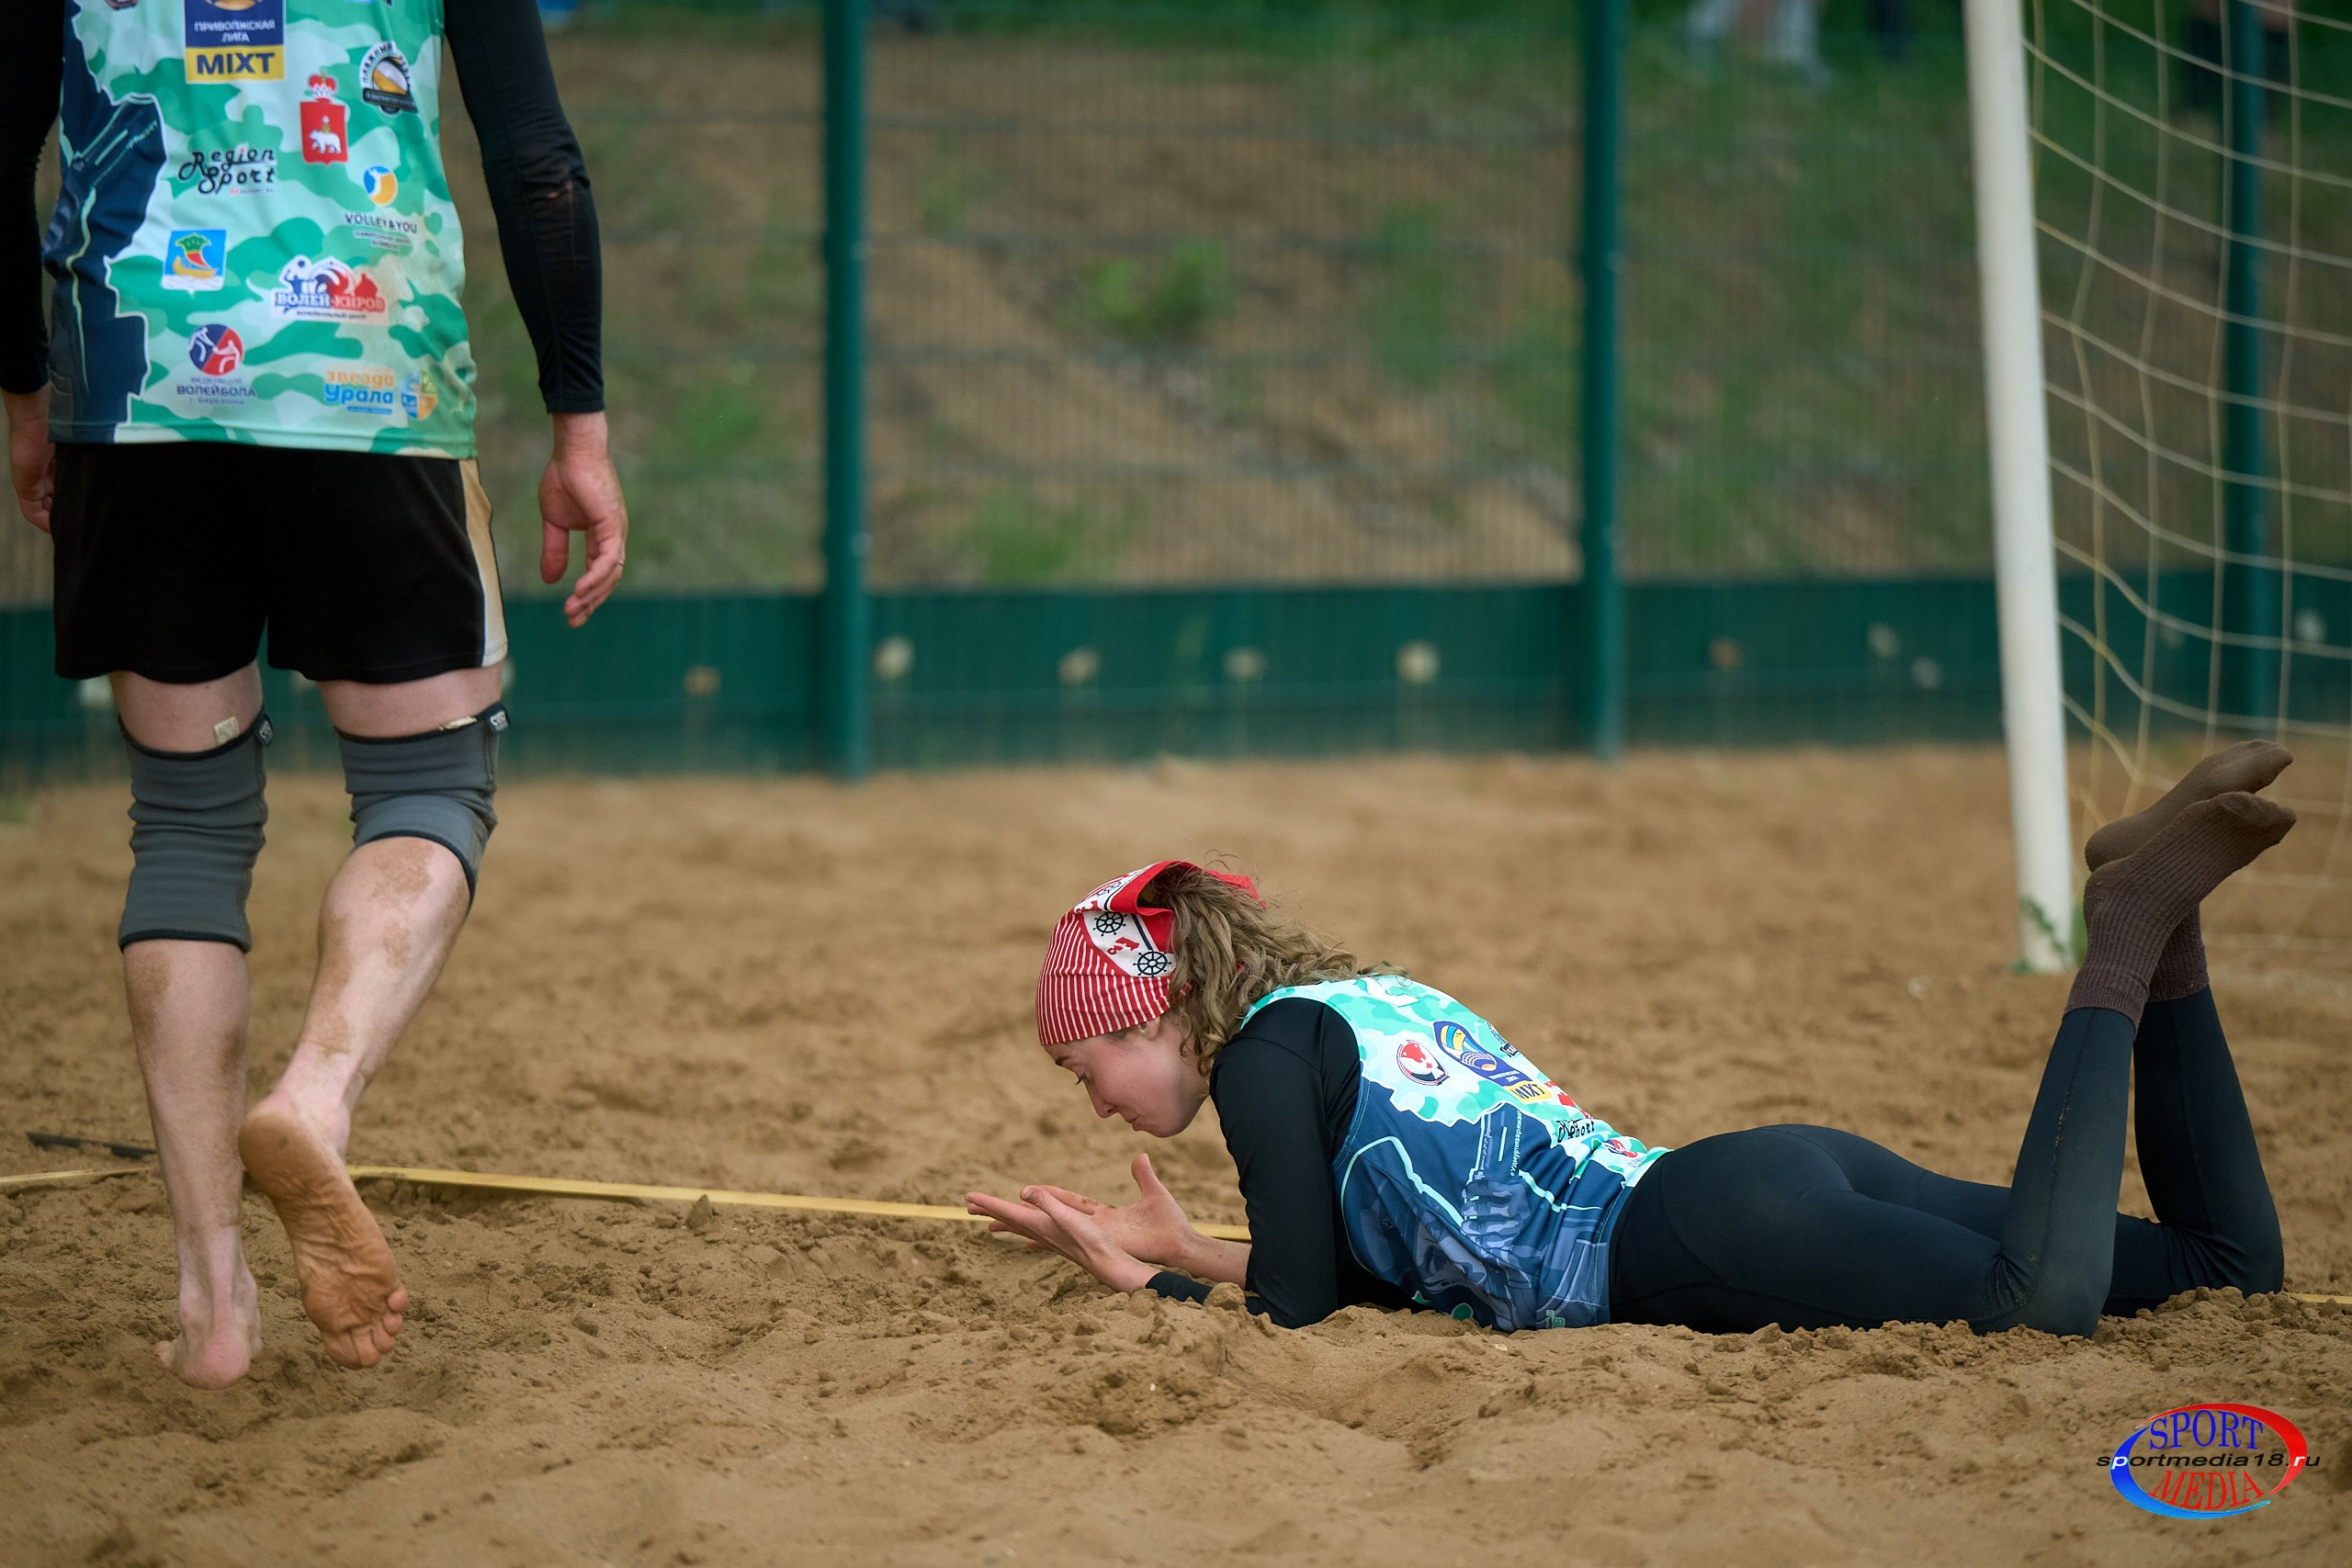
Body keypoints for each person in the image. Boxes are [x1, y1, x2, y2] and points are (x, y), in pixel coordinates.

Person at [4, 0, 625, 1388]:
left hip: (136, 376)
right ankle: (315, 1099)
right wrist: (578, 420)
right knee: (427, 785)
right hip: (368, 370)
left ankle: (212, 1295)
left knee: (185, 829)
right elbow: (539, 160)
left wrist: (24, 396)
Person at [969, 743, 2294, 1336]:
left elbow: (1304, 1317)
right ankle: (2166, 925)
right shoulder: (1359, 1000)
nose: (1094, 1105)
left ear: (1151, 1011)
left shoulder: (1259, 1059)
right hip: (1755, 1179)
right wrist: (1193, 1243)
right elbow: (1378, 1281)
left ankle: (2125, 929)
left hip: (1698, 1242)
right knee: (2221, 1268)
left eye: (1086, 1068)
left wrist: (1146, 1285)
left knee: (2038, 1304)